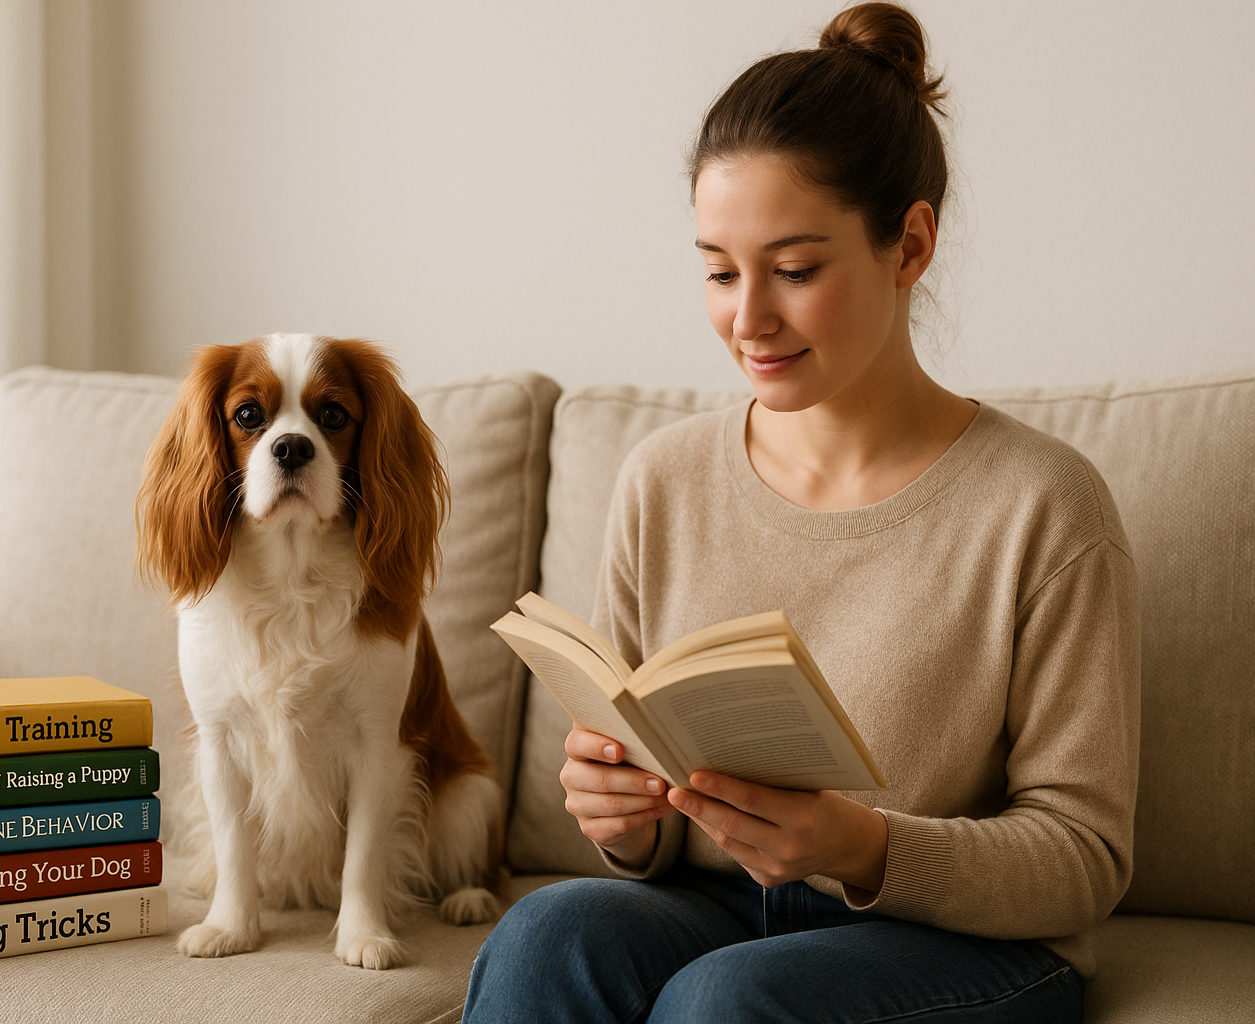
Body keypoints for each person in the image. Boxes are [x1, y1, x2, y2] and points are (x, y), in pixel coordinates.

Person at [462, 3, 1139, 1022]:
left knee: (725, 1001)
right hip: (718, 906)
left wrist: (862, 846)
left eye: (795, 270)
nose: (748, 319)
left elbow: (1084, 859)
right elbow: (637, 822)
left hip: (951, 942)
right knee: (543, 933)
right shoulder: (662, 480)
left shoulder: (1041, 505)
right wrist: (623, 822)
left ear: (909, 245)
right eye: (720, 272)